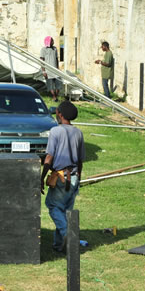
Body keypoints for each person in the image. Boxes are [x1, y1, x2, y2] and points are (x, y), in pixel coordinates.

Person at [40, 101, 84, 252]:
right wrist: (78, 178)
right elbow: (80, 160)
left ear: (60, 114)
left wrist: (41, 177)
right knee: (65, 211)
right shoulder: (78, 132)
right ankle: (59, 245)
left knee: (53, 207)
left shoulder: (55, 131)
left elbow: (49, 157)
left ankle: (70, 238)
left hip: (60, 177)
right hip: (74, 176)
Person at [40, 35, 61, 100]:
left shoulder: (55, 49)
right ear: (48, 41)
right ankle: (54, 97)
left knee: (59, 84)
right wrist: (43, 71)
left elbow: (57, 59)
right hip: (48, 70)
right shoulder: (43, 49)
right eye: (52, 40)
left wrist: (58, 68)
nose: (53, 41)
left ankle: (56, 96)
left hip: (55, 69)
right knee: (50, 85)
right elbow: (41, 60)